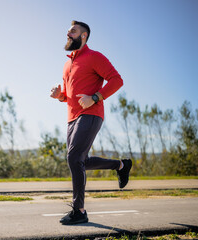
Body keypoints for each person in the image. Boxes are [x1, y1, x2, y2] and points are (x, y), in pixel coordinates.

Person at [50, 20, 132, 225]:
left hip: (91, 114)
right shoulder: (67, 64)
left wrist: (95, 97)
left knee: (74, 157)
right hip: (71, 118)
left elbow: (116, 80)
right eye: (68, 31)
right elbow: (70, 96)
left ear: (83, 36)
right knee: (80, 161)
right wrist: (60, 96)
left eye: (73, 31)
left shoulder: (94, 56)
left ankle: (79, 211)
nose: (68, 34)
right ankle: (121, 165)